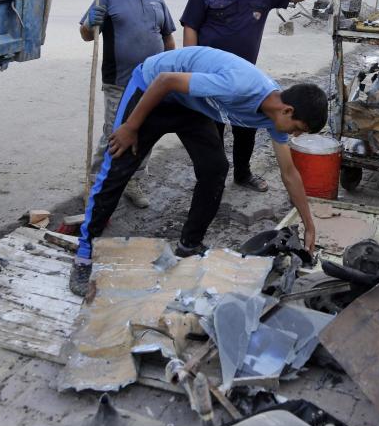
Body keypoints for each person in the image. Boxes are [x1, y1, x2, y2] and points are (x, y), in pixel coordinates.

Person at [69, 46, 328, 296]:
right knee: (118, 168)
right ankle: (83, 256)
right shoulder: (239, 86)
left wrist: (309, 224)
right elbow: (165, 80)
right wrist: (131, 126)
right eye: (297, 128)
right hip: (151, 89)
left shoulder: (275, 117)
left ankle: (189, 245)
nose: (294, 135)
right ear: (288, 110)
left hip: (189, 105)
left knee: (215, 169)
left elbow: (289, 173)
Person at [180, 0, 345, 192]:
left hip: (245, 80)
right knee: (212, 132)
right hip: (210, 79)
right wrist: (189, 69)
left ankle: (243, 175)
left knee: (246, 128)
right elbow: (191, 27)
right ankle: (211, 181)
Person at [80, 0, 176, 208]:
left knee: (145, 131)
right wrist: (90, 23)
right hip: (118, 82)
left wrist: (172, 70)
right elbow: (87, 34)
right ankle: (95, 182)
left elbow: (167, 36)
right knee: (113, 133)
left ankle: (133, 179)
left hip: (151, 83)